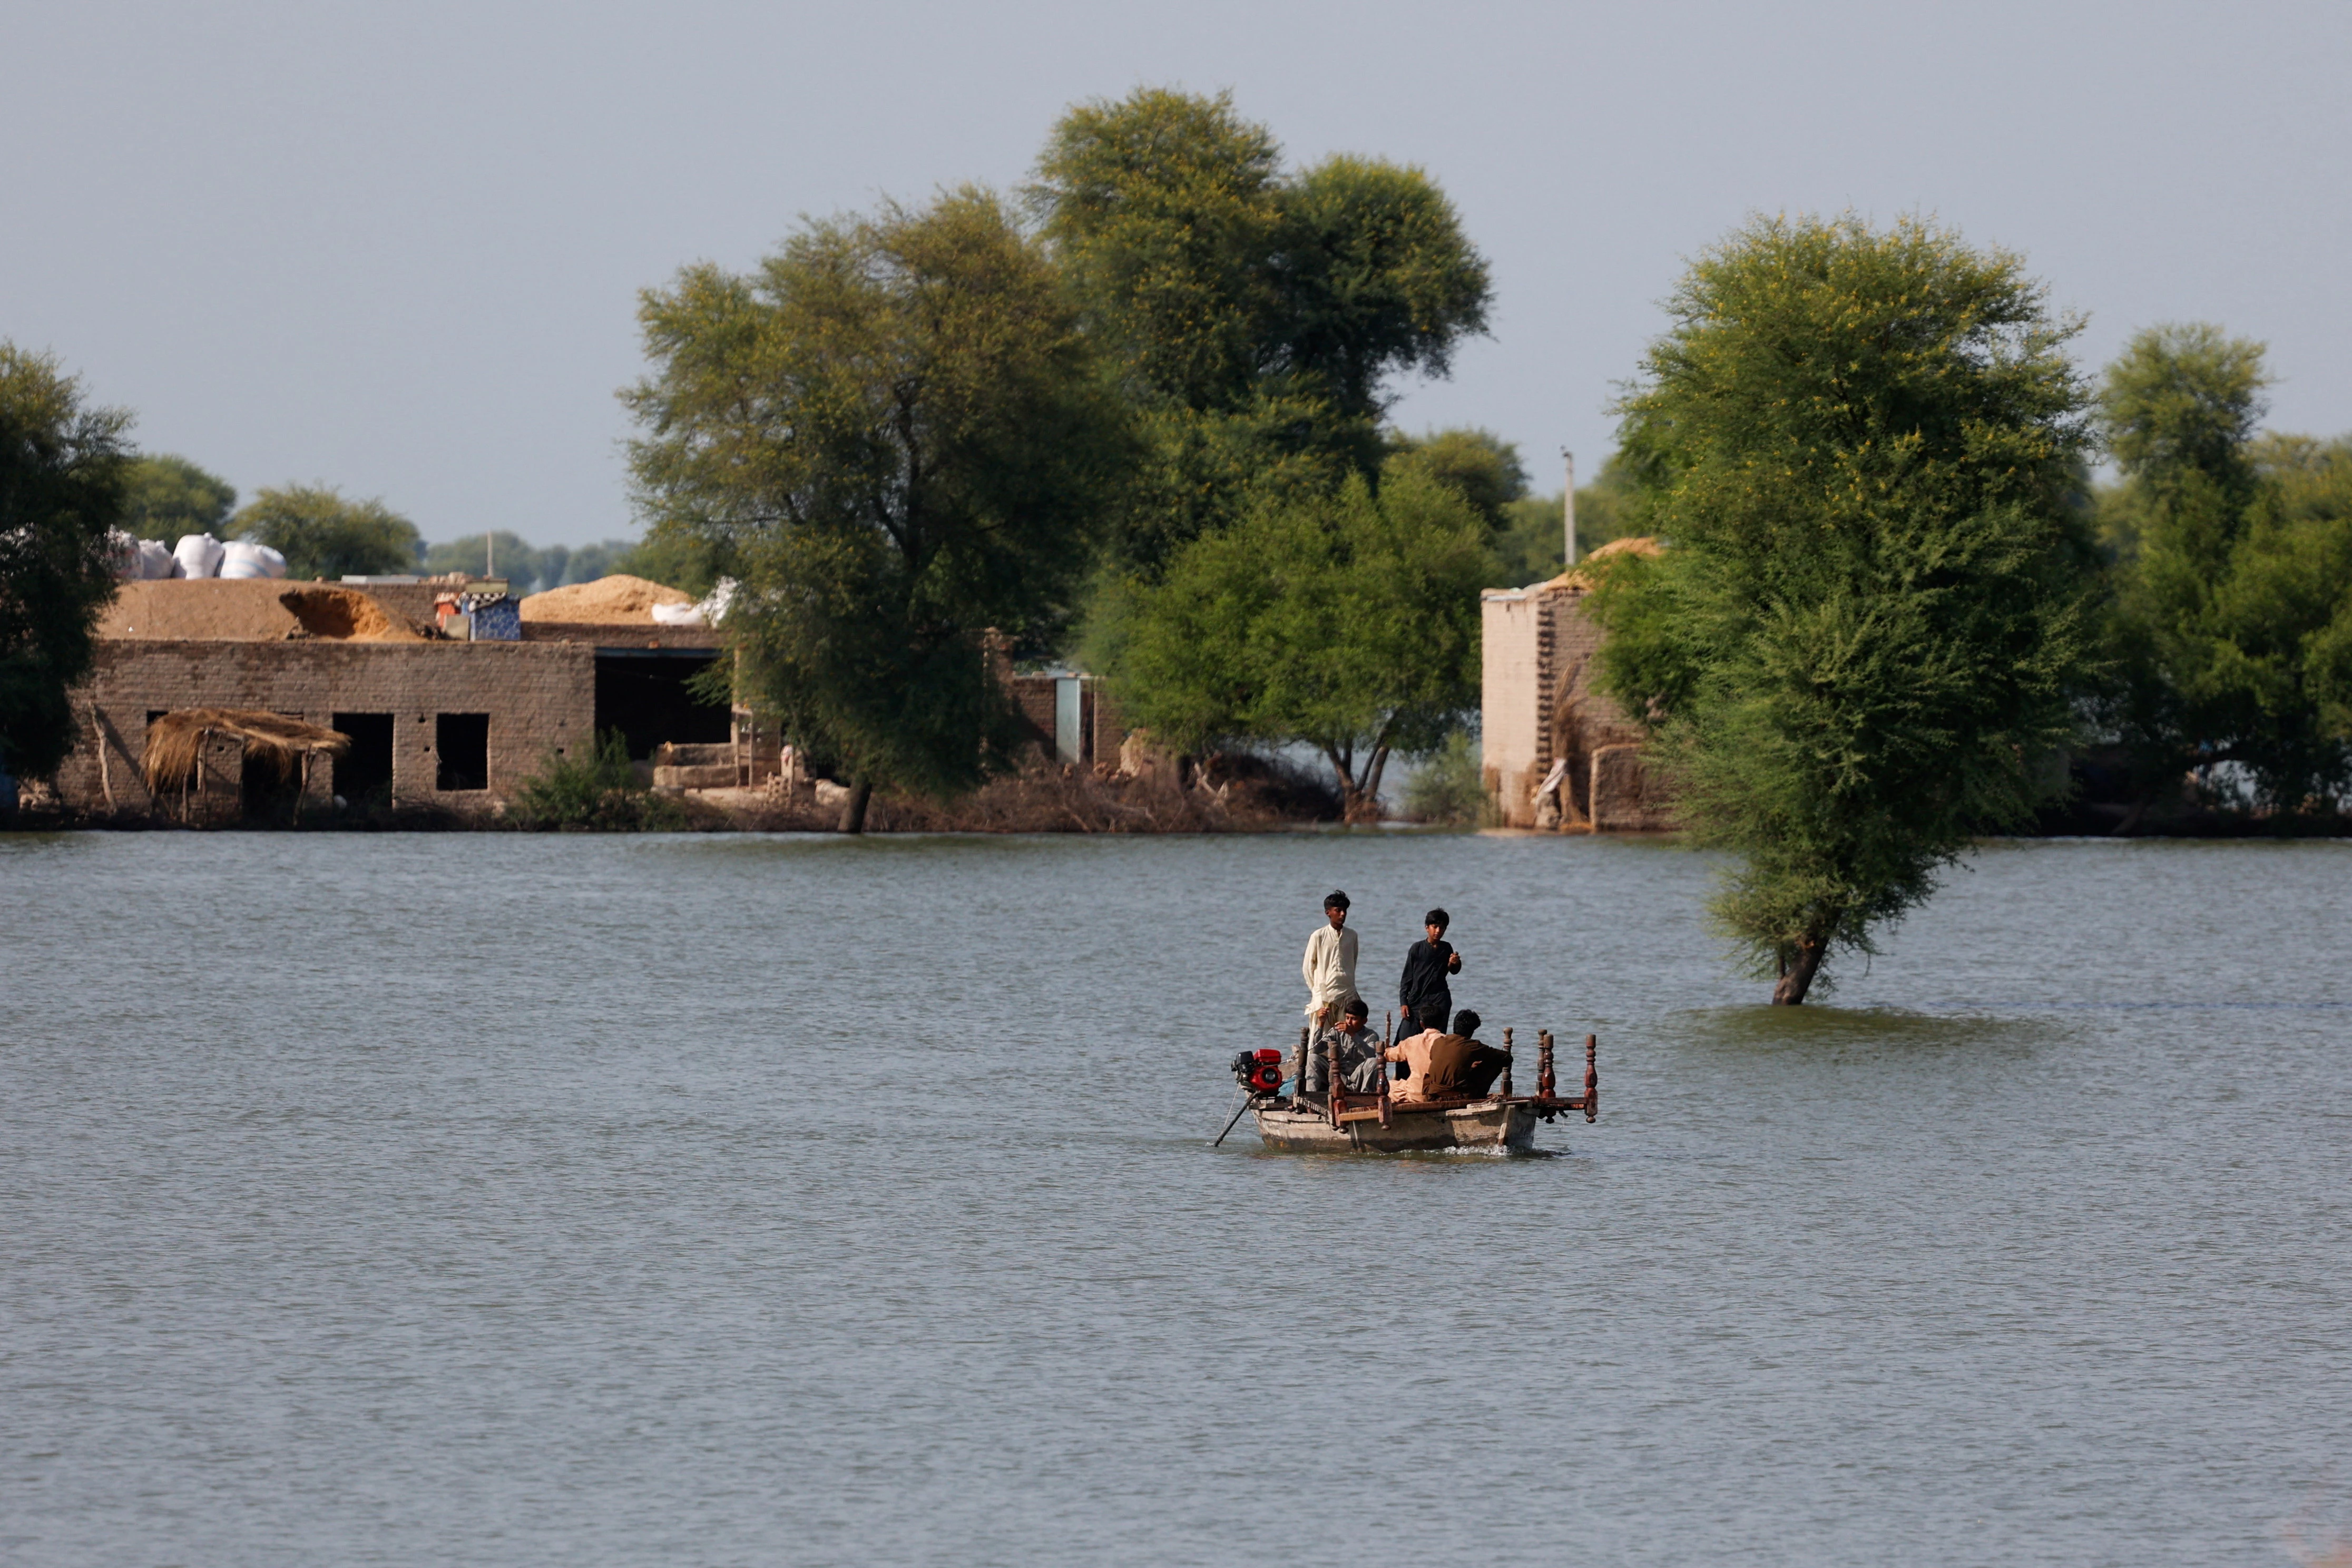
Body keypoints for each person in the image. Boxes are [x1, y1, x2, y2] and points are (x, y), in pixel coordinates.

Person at [1383, 1009, 1513, 1103]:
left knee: (1389, 1086)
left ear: (1421, 1024)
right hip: (1455, 1093)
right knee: (1496, 1062)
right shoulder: (1471, 1045)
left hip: (1431, 1092)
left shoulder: (1438, 1042)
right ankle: (1479, 1094)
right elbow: (1506, 1058)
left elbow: (1387, 1056)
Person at [1396, 908, 1462, 1045]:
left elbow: (1454, 971)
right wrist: (1403, 1002)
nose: (1438, 931)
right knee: (1404, 1039)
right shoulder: (1417, 949)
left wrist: (1455, 963)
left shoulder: (1446, 948)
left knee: (1435, 1042)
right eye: (1435, 927)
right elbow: (1407, 978)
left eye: (1442, 928)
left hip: (1439, 1000)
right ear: (1427, 928)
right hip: (1417, 999)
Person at [1300, 890, 1360, 1032]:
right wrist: (1317, 991)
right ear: (1328, 913)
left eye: (1345, 911)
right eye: (1338, 911)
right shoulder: (1318, 936)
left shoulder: (1352, 936)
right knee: (1321, 1035)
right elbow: (1308, 968)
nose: (1343, 914)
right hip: (1324, 995)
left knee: (1347, 1033)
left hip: (1347, 992)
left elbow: (1353, 961)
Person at [1305, 997, 1387, 1097]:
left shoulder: (1371, 1035)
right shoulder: (1337, 1031)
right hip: (1339, 1076)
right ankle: (1311, 1098)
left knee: (1374, 1062)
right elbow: (1316, 1049)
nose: (1349, 1022)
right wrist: (1321, 1024)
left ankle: (1365, 1099)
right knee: (1313, 1058)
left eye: (1354, 1019)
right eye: (1347, 1018)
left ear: (1364, 1021)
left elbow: (1370, 1055)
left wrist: (1353, 1034)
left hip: (1358, 1078)